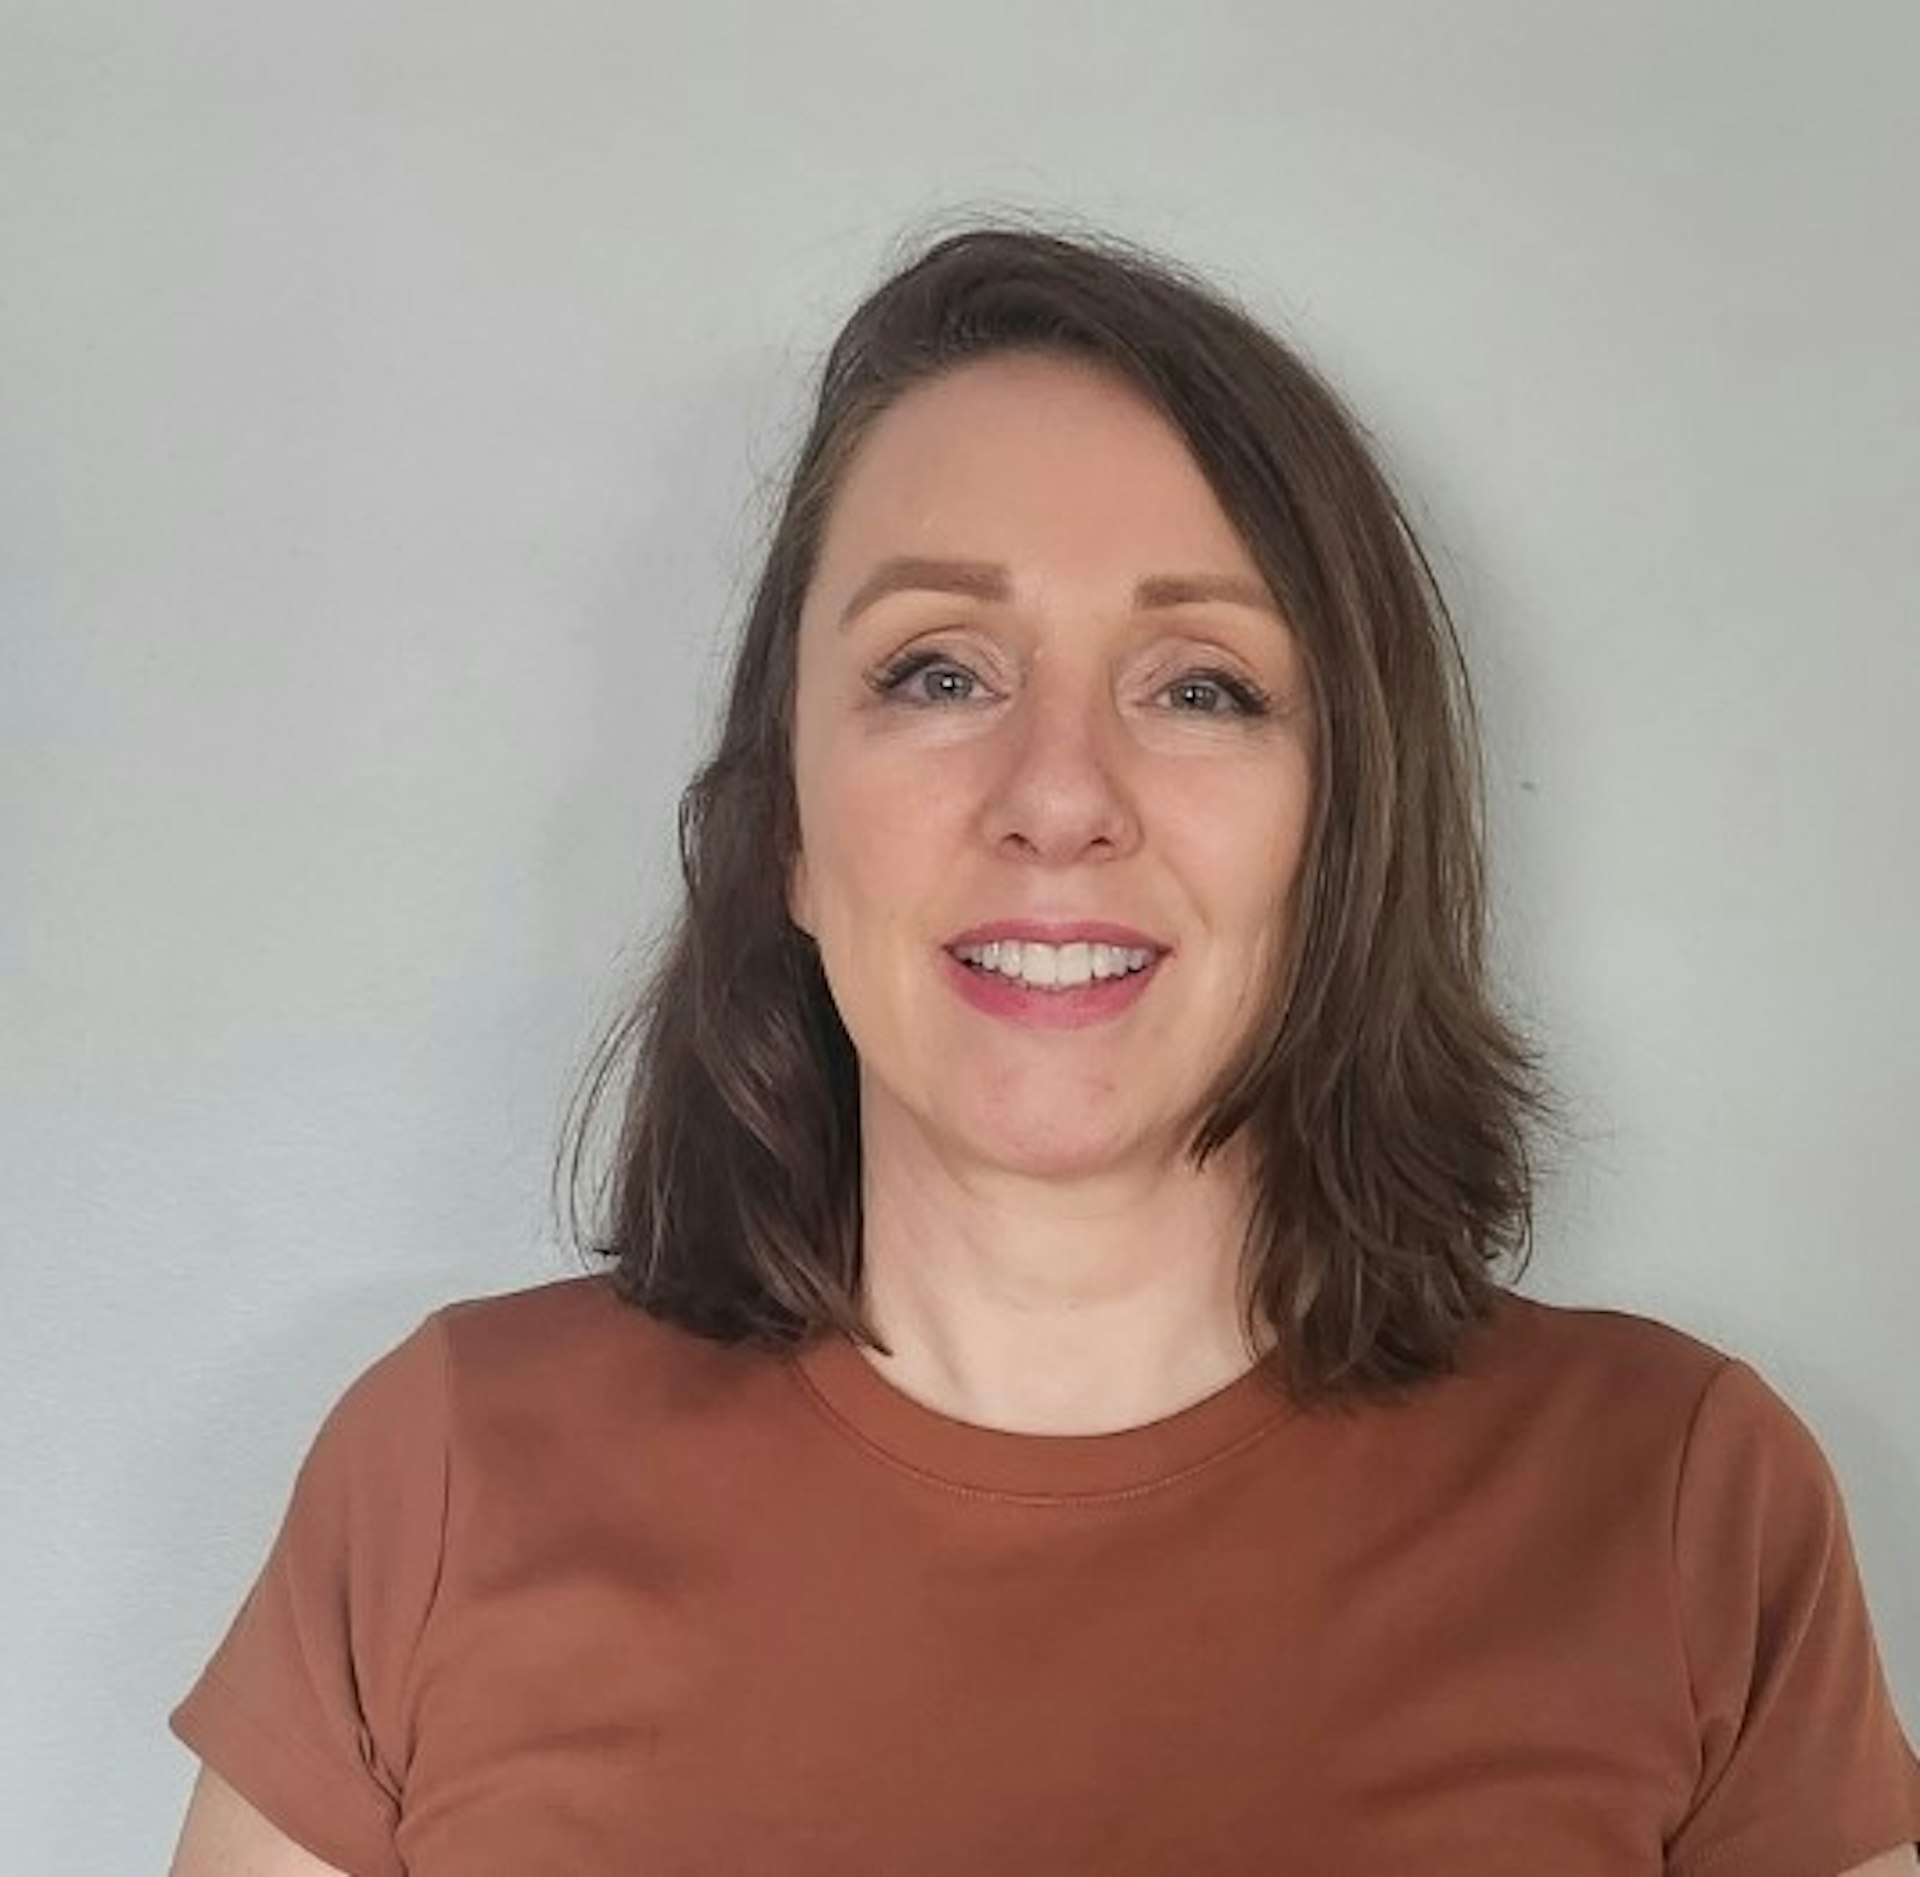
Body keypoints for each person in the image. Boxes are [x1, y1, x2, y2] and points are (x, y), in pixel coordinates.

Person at [166, 227, 1920, 1875]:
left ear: (1350, 827)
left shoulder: (1676, 1497)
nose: (1060, 796)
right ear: (786, 821)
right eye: (938, 671)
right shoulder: (449, 1471)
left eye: (1201, 684)